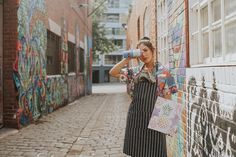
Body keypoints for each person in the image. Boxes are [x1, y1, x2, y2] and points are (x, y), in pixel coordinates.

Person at [109, 37, 177, 157]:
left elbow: (169, 99)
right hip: (136, 119)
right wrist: (128, 58)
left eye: (146, 50)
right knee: (137, 152)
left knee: (157, 152)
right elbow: (113, 72)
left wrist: (167, 124)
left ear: (152, 51)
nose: (144, 54)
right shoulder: (134, 72)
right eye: (140, 52)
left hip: (155, 119)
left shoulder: (164, 72)